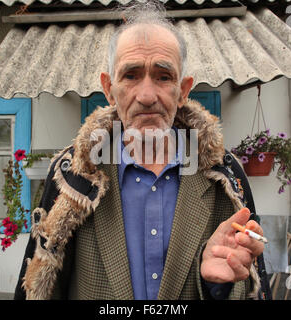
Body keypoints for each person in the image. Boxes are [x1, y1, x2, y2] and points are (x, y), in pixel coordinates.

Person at [14, 1, 265, 300]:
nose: (147, 96)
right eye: (131, 76)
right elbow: (42, 287)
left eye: (163, 77)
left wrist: (218, 286)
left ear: (183, 90)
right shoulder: (72, 175)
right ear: (108, 88)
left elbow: (250, 287)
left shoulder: (225, 177)